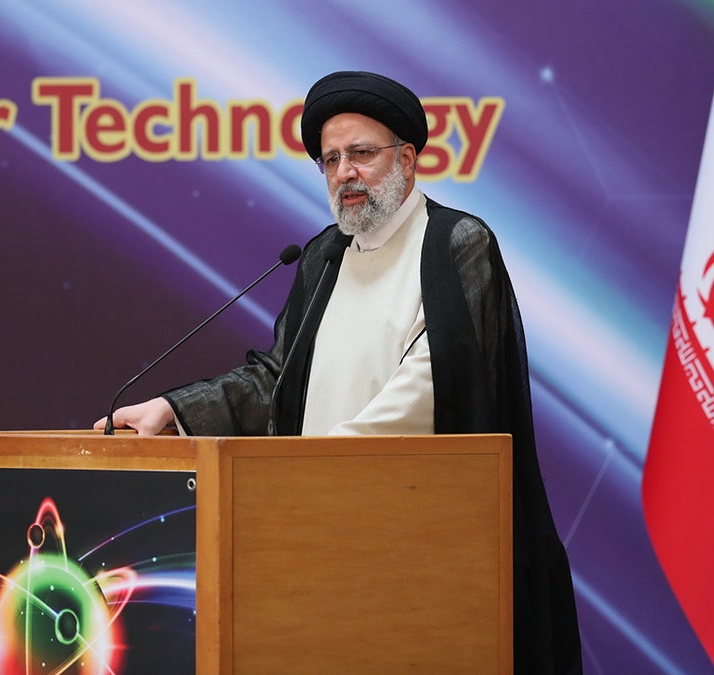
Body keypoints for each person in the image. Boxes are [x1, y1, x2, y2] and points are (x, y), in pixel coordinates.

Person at [96, 70, 582, 674]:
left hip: (419, 547)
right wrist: (173, 409)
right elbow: (276, 379)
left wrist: (308, 470)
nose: (345, 172)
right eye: (330, 160)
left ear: (406, 158)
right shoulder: (324, 257)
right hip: (317, 537)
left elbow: (434, 386)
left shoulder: (457, 243)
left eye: (361, 154)